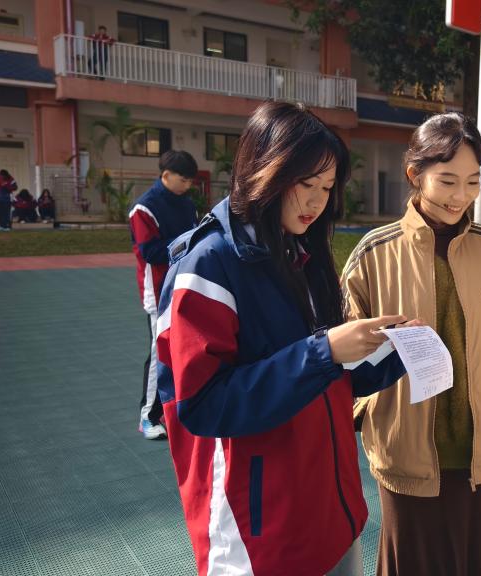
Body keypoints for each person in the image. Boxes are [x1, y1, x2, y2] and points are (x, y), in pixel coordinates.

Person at [156, 101, 411, 576]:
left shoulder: (301, 253)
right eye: (306, 184)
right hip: (259, 533)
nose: (317, 202)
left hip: (330, 511)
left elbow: (328, 378)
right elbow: (203, 404)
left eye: (327, 188)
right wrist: (324, 352)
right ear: (265, 171)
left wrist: (394, 352)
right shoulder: (208, 266)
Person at [342, 112, 481, 576]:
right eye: (447, 181)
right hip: (405, 446)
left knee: (472, 562)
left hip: (479, 447)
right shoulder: (375, 253)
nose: (460, 196)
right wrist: (366, 410)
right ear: (415, 174)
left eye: (472, 182)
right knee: (408, 562)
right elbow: (344, 346)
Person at [129, 150, 199, 440]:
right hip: (157, 292)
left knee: (185, 348)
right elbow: (150, 251)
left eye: (190, 181)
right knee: (160, 352)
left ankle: (175, 409)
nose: (187, 185)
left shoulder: (187, 204)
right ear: (166, 175)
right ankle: (147, 416)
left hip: (185, 284)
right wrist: (188, 242)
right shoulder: (143, 209)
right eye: (183, 180)